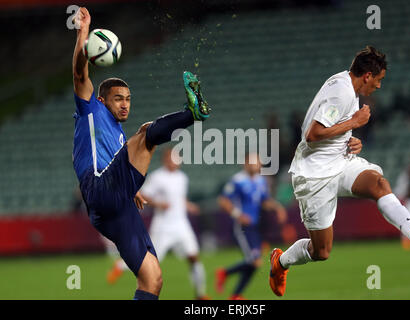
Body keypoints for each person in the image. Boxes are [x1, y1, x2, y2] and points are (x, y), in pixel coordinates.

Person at [269, 46, 410, 297]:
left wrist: (351, 140)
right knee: (322, 252)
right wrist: (354, 122)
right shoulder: (342, 92)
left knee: (379, 184)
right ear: (367, 76)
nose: (379, 86)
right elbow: (313, 135)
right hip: (314, 176)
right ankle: (280, 262)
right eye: (379, 80)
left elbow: (331, 129)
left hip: (340, 162)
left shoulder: (348, 88)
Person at [71, 7, 210, 300]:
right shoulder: (90, 111)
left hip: (115, 206)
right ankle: (192, 114)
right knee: (147, 132)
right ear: (101, 100)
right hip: (99, 190)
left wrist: (131, 190)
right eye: (118, 99)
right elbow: (79, 72)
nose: (125, 105)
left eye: (128, 100)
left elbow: (116, 163)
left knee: (153, 280)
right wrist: (84, 34)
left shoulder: (120, 136)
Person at [107, 148, 209, 300]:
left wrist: (189, 205)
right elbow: (144, 195)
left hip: (182, 225)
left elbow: (179, 198)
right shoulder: (157, 177)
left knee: (194, 257)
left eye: (176, 158)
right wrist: (158, 204)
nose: (174, 161)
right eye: (171, 158)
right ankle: (120, 266)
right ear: (165, 159)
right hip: (163, 227)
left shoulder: (182, 177)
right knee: (150, 262)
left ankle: (200, 295)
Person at [216, 153, 287, 300]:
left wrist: (277, 208)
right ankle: (228, 279)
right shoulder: (238, 180)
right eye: (252, 161)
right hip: (242, 227)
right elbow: (223, 200)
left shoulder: (261, 181)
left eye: (257, 161)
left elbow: (264, 201)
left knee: (254, 262)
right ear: (245, 163)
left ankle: (234, 292)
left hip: (255, 227)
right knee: (255, 261)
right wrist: (238, 214)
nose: (255, 164)